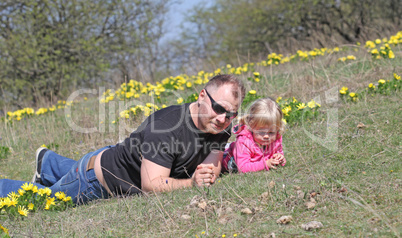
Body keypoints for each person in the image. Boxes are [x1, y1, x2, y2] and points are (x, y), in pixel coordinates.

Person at [0, 74, 245, 204]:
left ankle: (48, 163)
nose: (224, 118)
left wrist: (207, 173)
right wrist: (192, 183)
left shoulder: (219, 124)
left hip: (123, 158)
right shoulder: (165, 128)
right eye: (218, 108)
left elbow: (211, 164)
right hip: (97, 181)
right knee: (45, 201)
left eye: (231, 113)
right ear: (202, 95)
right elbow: (152, 186)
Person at [222, 97, 286, 173]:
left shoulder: (276, 137)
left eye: (271, 132)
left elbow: (278, 152)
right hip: (225, 157)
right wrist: (265, 164)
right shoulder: (244, 141)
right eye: (261, 132)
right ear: (251, 126)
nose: (266, 136)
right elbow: (242, 168)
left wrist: (279, 158)